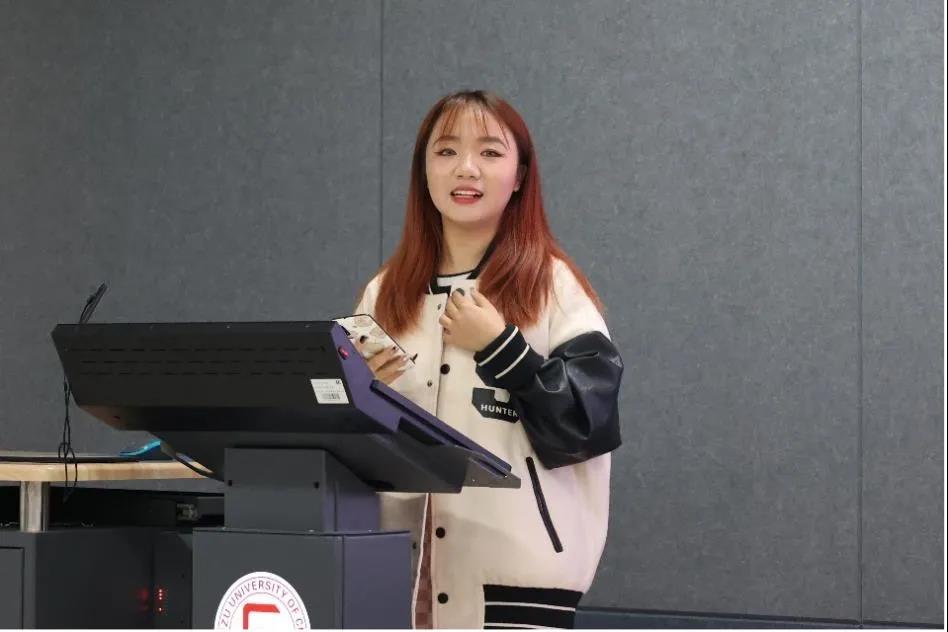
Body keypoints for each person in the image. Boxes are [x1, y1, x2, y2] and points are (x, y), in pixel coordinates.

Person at [352, 89, 623, 629]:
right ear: (424, 171)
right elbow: (346, 442)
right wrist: (351, 392)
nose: (466, 168)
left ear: (520, 175)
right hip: (391, 577)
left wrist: (503, 347)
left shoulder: (551, 286)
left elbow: (587, 423)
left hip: (516, 580)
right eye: (446, 151)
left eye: (490, 152)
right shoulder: (385, 294)